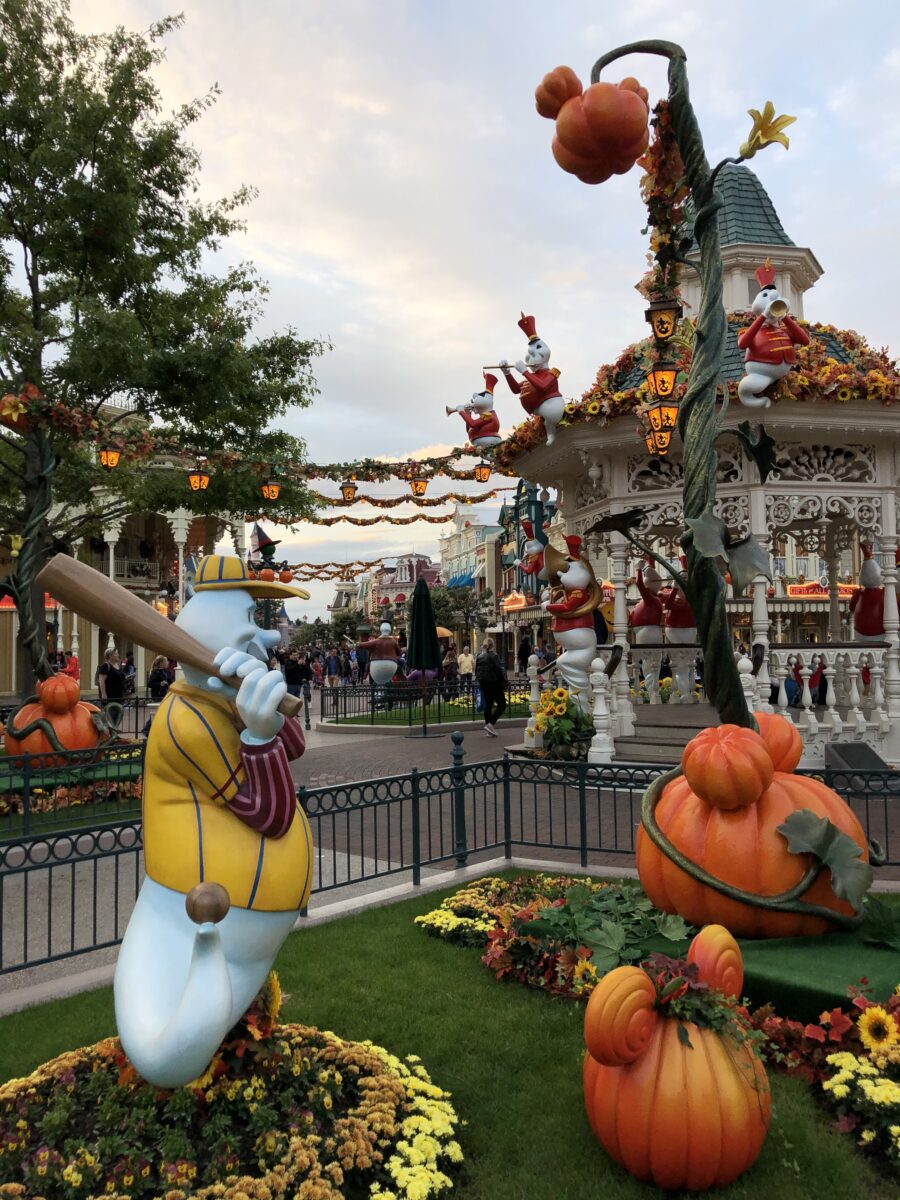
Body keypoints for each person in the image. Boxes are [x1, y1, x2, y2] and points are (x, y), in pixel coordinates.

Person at [475, 637, 507, 737]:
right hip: (495, 683)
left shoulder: (479, 656)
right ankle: (490, 724)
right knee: (502, 705)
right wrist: (503, 681)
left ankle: (489, 729)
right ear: (492, 645)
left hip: (484, 684)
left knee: (488, 706)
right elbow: (499, 670)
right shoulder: (494, 656)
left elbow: (476, 671)